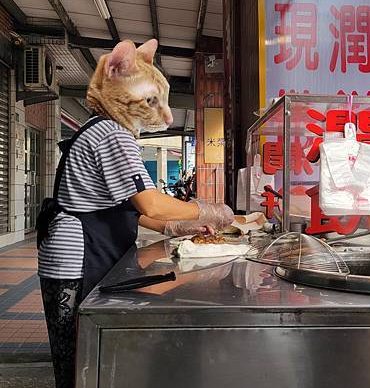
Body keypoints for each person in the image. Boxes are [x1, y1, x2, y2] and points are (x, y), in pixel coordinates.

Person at [36, 39, 234, 388]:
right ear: (113, 77)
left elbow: (128, 210)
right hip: (77, 258)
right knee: (79, 358)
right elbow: (149, 203)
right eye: (151, 101)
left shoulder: (99, 129)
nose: (168, 116)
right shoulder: (113, 134)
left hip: (77, 251)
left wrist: (177, 226)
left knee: (78, 355)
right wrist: (206, 210)